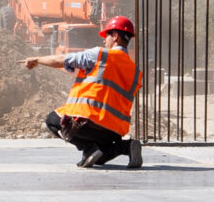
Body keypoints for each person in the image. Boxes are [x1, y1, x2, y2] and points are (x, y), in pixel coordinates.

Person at [27, 15, 138, 168]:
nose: (104, 40)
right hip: (114, 131)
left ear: (116, 36)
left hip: (89, 123)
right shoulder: (135, 71)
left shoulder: (100, 55)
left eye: (106, 36)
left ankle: (87, 148)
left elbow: (62, 59)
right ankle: (126, 147)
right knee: (99, 157)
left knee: (52, 120)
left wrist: (37, 60)